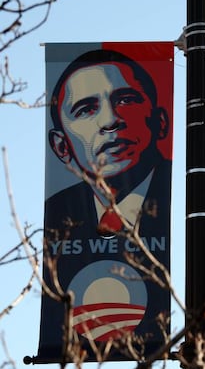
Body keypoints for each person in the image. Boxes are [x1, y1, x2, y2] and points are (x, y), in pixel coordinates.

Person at [45, 49, 172, 240]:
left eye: (126, 100)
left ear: (160, 122)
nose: (110, 120)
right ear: (61, 146)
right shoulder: (58, 212)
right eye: (86, 109)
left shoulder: (184, 197)